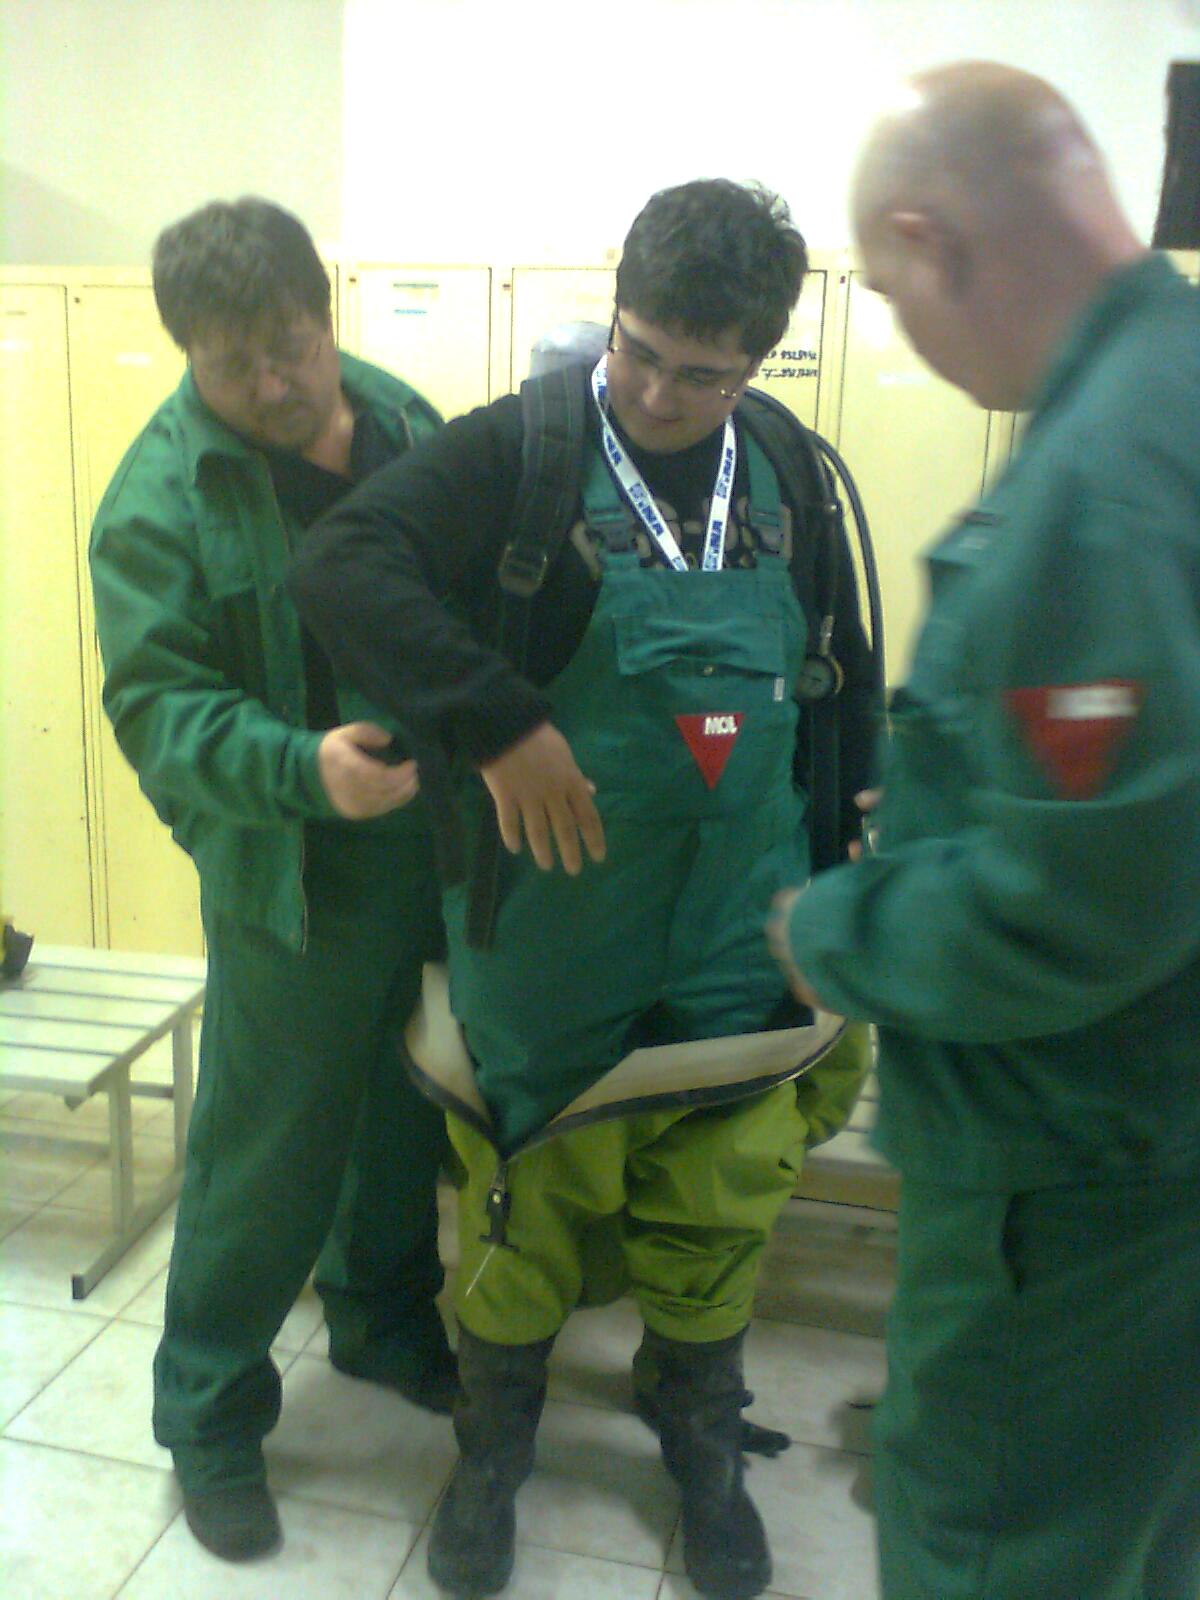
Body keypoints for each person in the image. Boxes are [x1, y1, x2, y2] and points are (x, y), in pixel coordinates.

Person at [289, 177, 876, 1600]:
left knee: (721, 1189)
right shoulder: (525, 452)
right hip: (551, 928)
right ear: (616, 310)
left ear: (760, 361)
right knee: (527, 1194)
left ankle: (700, 1429)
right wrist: (493, 719)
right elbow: (340, 564)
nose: (663, 395)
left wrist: (846, 875)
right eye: (641, 351)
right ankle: (494, 1443)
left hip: (741, 924)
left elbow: (840, 673)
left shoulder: (793, 474)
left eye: (705, 372)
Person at [771, 62, 1200, 1600]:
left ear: (929, 239)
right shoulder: (1169, 385)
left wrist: (834, 928)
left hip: (1064, 1185)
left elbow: (1074, 908)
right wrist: (953, 799)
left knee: (992, 1544)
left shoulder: (1100, 479)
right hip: (1149, 1160)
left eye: (893, 297)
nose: (906, 336)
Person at [88, 197, 456, 1563]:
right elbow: (159, 711)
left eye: (290, 346)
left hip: (429, 841)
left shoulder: (404, 416)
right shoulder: (158, 500)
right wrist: (305, 769)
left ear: (325, 309)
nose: (273, 384)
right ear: (187, 350)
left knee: (406, 1104)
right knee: (266, 1146)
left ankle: (382, 1319)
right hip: (294, 864)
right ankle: (210, 1413)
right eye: (232, 363)